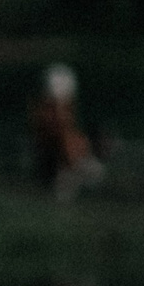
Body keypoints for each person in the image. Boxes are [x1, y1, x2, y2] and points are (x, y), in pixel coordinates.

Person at [29, 62, 105, 200]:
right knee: (88, 173)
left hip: (67, 161)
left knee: (94, 171)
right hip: (58, 163)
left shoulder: (62, 112)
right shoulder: (46, 114)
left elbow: (71, 137)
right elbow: (59, 141)